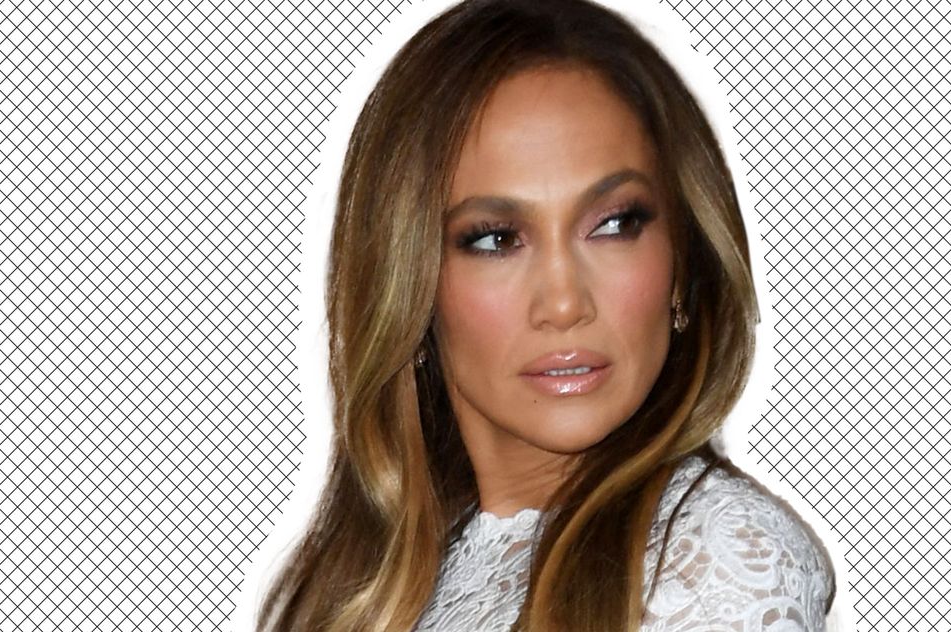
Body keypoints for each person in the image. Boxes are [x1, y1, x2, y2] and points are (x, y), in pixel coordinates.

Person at [258, 0, 835, 630]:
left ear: (682, 260)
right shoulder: (353, 583)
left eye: (614, 225)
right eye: (497, 239)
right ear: (407, 285)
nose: (564, 304)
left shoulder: (719, 557)